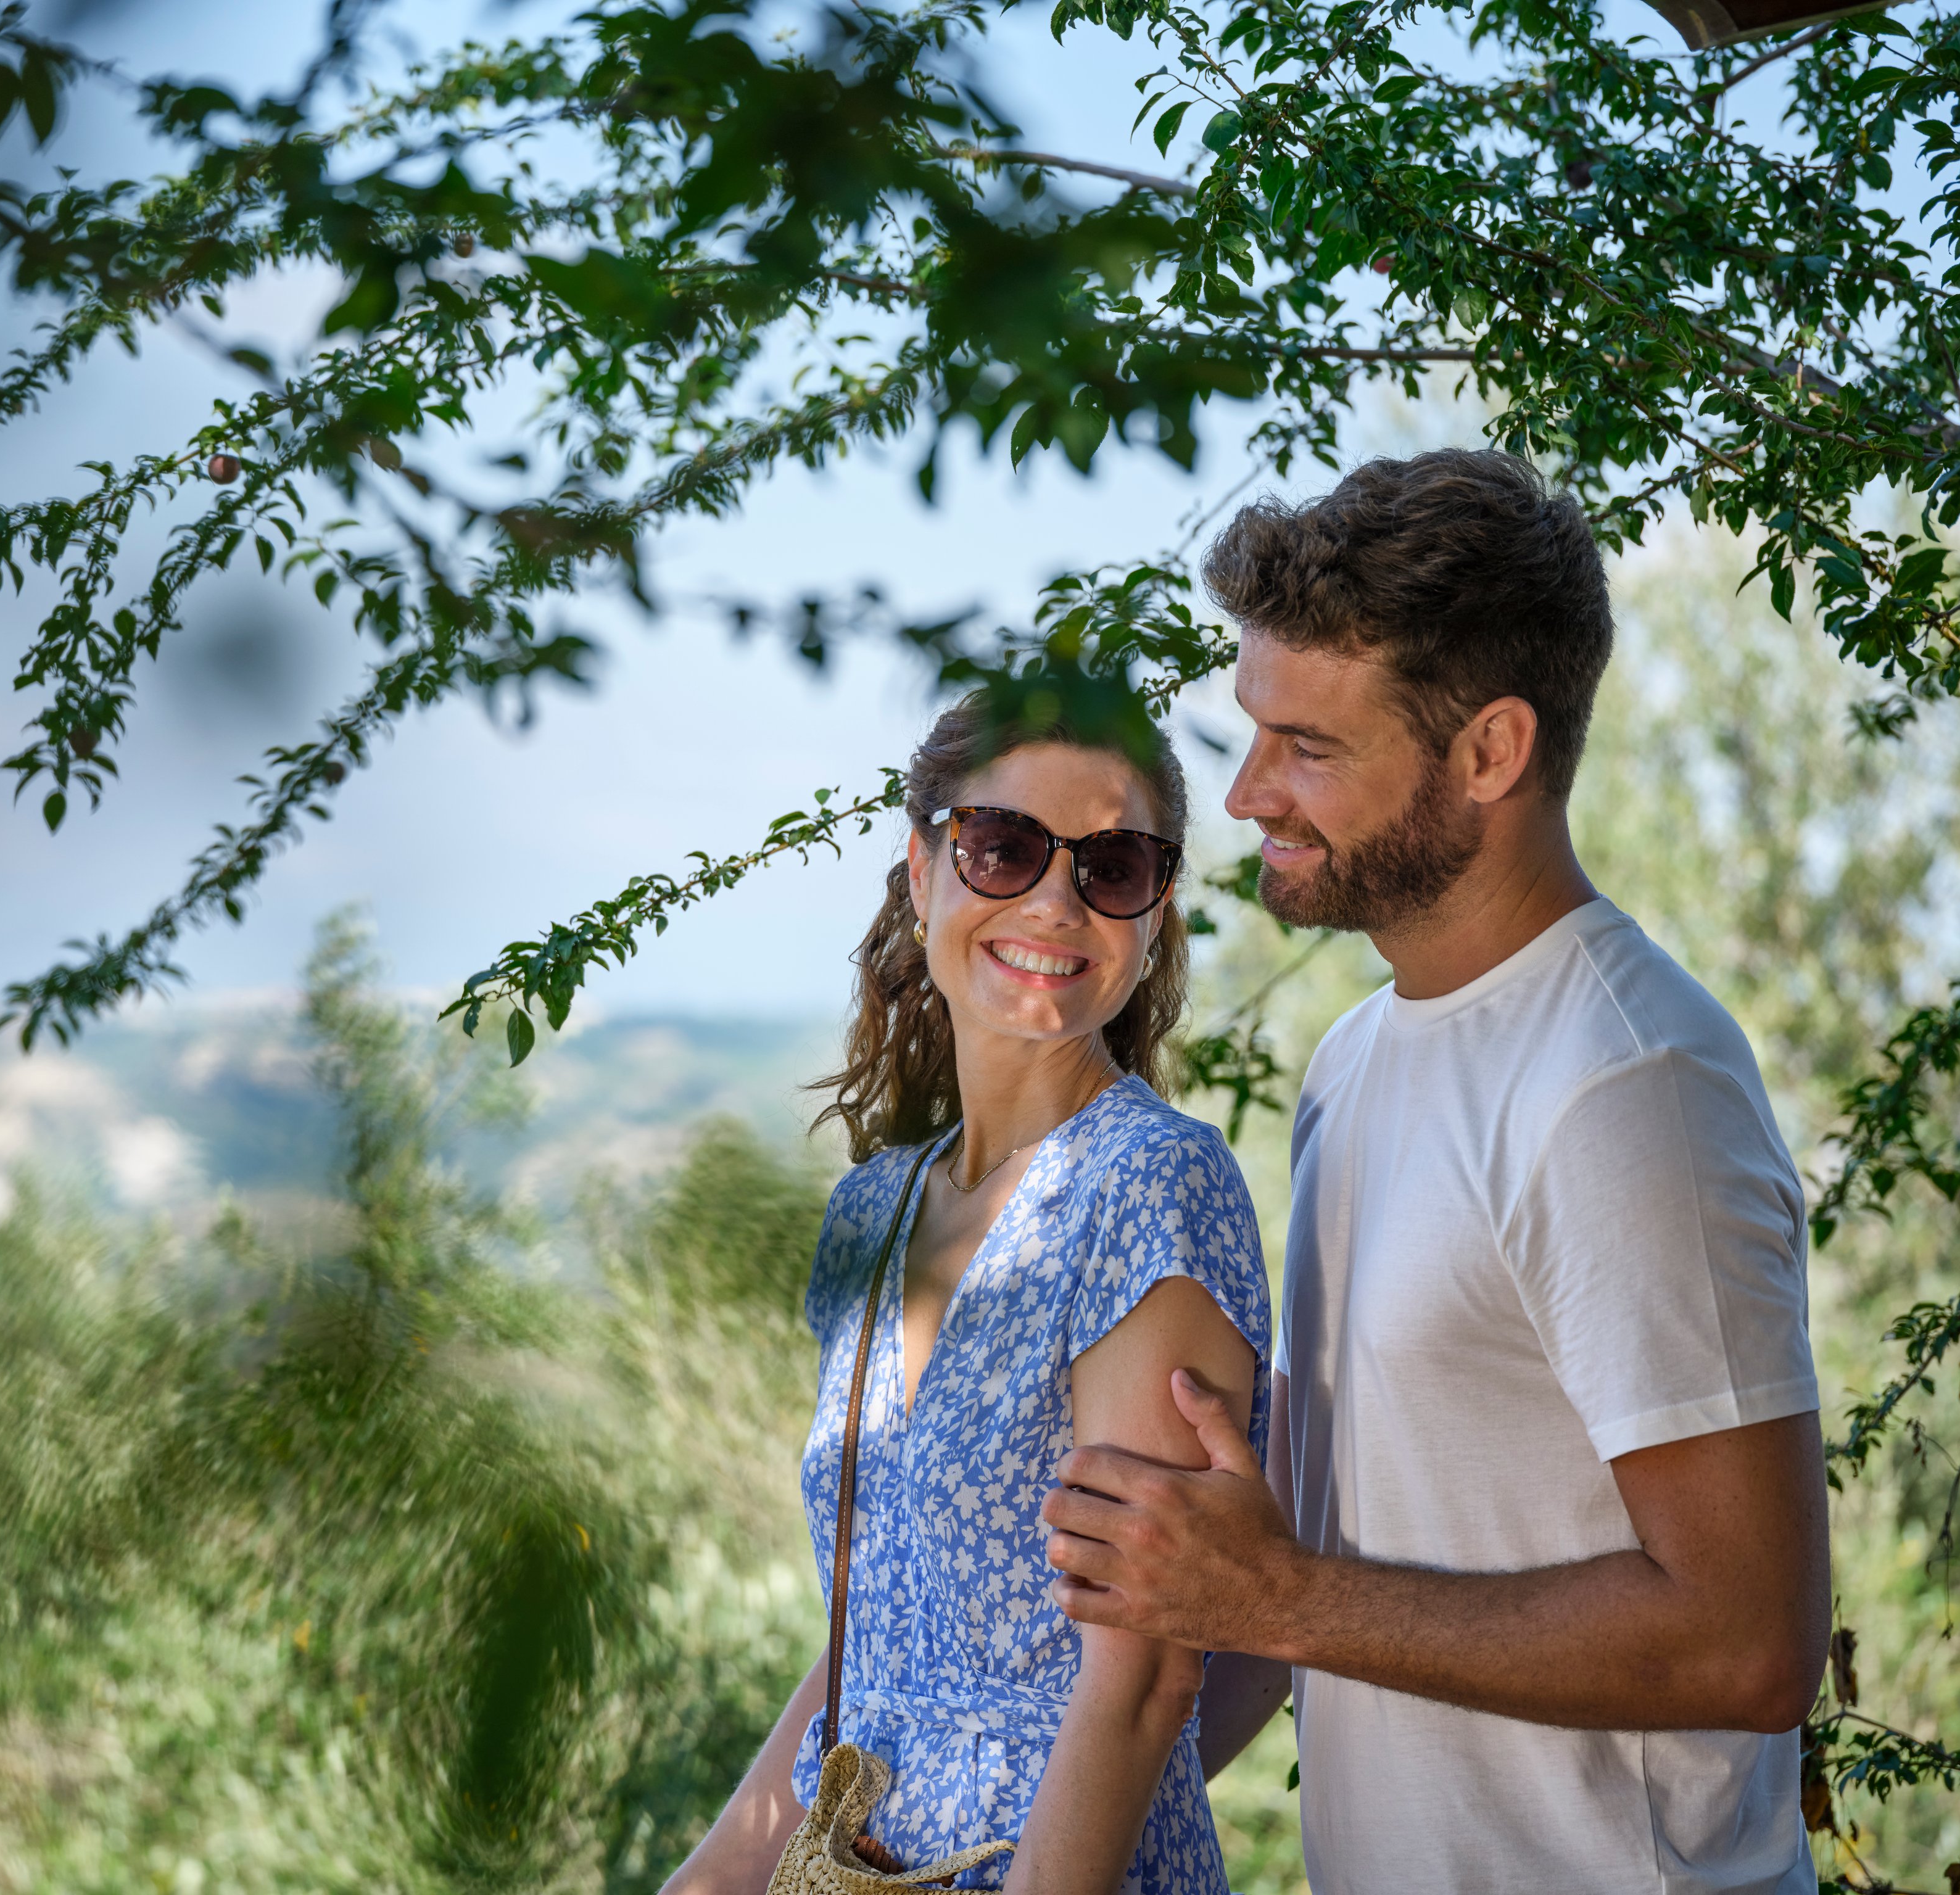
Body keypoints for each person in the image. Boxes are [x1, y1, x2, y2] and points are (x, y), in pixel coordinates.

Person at [1040, 448, 1831, 1894]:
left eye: (1310, 748)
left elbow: (1748, 1642)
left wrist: (1282, 1601)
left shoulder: (1622, 1087)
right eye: (1252, 729)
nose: (1247, 791)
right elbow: (1323, 1593)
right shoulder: (1355, 1061)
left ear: (1488, 753)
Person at [662, 695, 1273, 1895]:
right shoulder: (875, 1210)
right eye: (1002, 847)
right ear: (922, 870)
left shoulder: (1146, 1185)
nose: (1052, 902)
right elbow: (867, 1651)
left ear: (1152, 916)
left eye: (1109, 865)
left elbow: (1144, 1681)